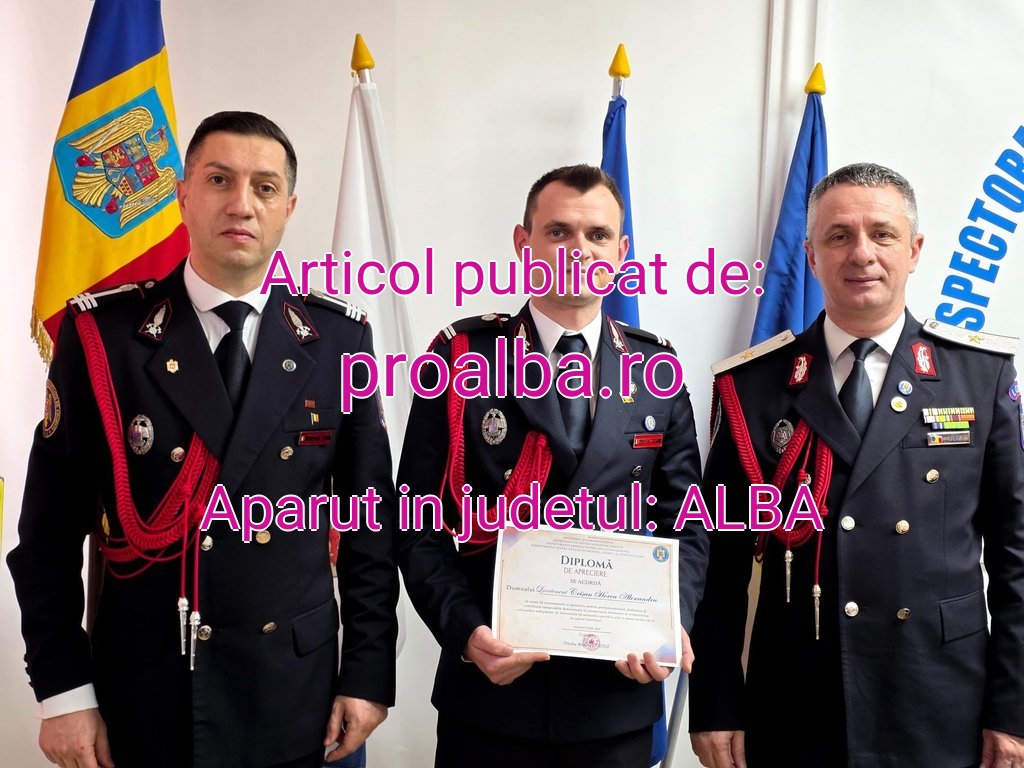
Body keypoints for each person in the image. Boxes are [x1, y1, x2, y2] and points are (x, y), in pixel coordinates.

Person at [7, 111, 399, 768]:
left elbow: (371, 530)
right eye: (220, 180)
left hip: (295, 698)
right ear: (182, 193)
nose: (242, 204)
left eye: (265, 187)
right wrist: (64, 692)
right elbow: (47, 535)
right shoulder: (104, 338)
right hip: (147, 697)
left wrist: (367, 674)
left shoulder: (339, 341)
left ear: (288, 208)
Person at [688, 163, 1024, 768]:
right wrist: (715, 702)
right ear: (811, 256)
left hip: (940, 700)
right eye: (838, 236)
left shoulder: (980, 376)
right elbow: (720, 562)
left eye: (883, 234)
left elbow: (1015, 559)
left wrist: (1014, 710)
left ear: (914, 250)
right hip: (798, 702)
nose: (861, 253)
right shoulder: (755, 385)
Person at [396, 164, 708, 767]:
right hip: (489, 700)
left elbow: (688, 524)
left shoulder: (656, 370)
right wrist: (465, 632)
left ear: (621, 251)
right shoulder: (461, 357)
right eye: (559, 231)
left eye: (597, 235)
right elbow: (416, 524)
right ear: (524, 243)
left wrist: (669, 622)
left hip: (614, 700)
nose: (579, 250)